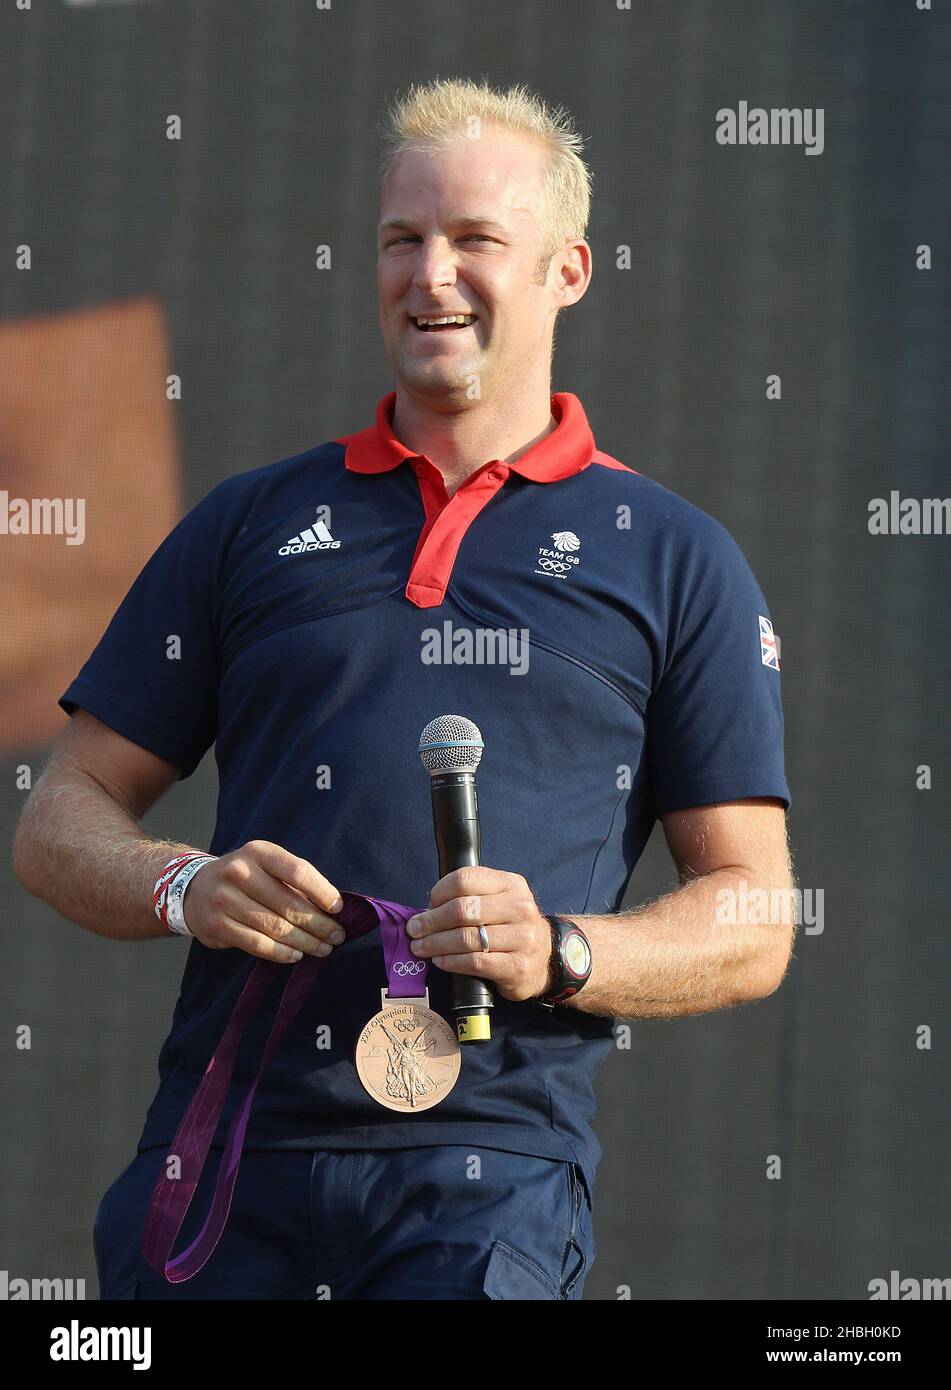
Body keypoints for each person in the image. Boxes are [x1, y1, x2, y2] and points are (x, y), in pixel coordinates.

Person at [13, 77, 794, 1301]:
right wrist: (188, 885)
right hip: (225, 1148)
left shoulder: (675, 555)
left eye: (476, 239)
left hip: (486, 1181)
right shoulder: (249, 522)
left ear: (568, 271)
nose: (430, 276)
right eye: (402, 239)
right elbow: (59, 820)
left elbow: (754, 917)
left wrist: (564, 949)